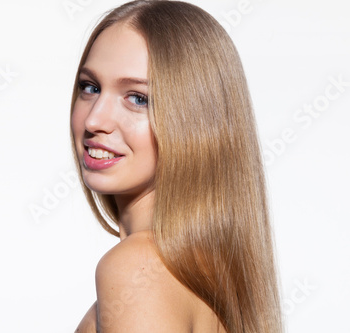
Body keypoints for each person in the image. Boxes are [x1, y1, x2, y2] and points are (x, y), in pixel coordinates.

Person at [69, 1, 283, 332]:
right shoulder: (203, 269)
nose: (95, 119)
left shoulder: (137, 268)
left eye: (138, 98)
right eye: (90, 87)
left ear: (196, 122)